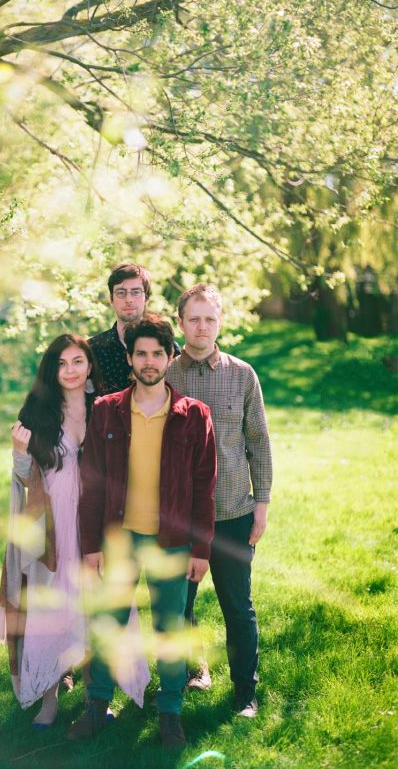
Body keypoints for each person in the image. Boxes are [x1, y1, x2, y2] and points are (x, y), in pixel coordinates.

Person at [68, 314, 216, 750]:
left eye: (157, 353)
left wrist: (201, 548)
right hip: (118, 537)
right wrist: (90, 546)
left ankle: (169, 713)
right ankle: (97, 707)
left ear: (171, 357)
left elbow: (203, 488)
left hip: (171, 541)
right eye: (141, 354)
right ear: (129, 358)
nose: (149, 361)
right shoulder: (107, 409)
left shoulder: (194, 416)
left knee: (170, 628)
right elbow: (91, 482)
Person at [0, 334, 148, 729]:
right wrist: (18, 452)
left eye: (78, 361)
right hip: (57, 527)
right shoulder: (39, 412)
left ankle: (100, 699)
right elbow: (27, 480)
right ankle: (49, 699)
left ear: (90, 365)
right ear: (52, 369)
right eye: (62, 364)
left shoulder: (108, 409)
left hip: (98, 522)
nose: (70, 371)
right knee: (54, 609)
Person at [167, 283, 273, 718]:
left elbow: (258, 441)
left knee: (237, 606)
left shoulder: (243, 374)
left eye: (210, 318)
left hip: (232, 511)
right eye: (194, 318)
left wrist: (261, 502)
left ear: (220, 322)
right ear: (181, 323)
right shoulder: (165, 375)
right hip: (181, 516)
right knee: (179, 604)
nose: (202, 326)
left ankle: (245, 692)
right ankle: (195, 670)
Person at [88, 262, 179, 395]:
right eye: (121, 292)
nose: (129, 299)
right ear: (111, 299)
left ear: (146, 298)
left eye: (136, 292)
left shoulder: (168, 347)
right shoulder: (92, 350)